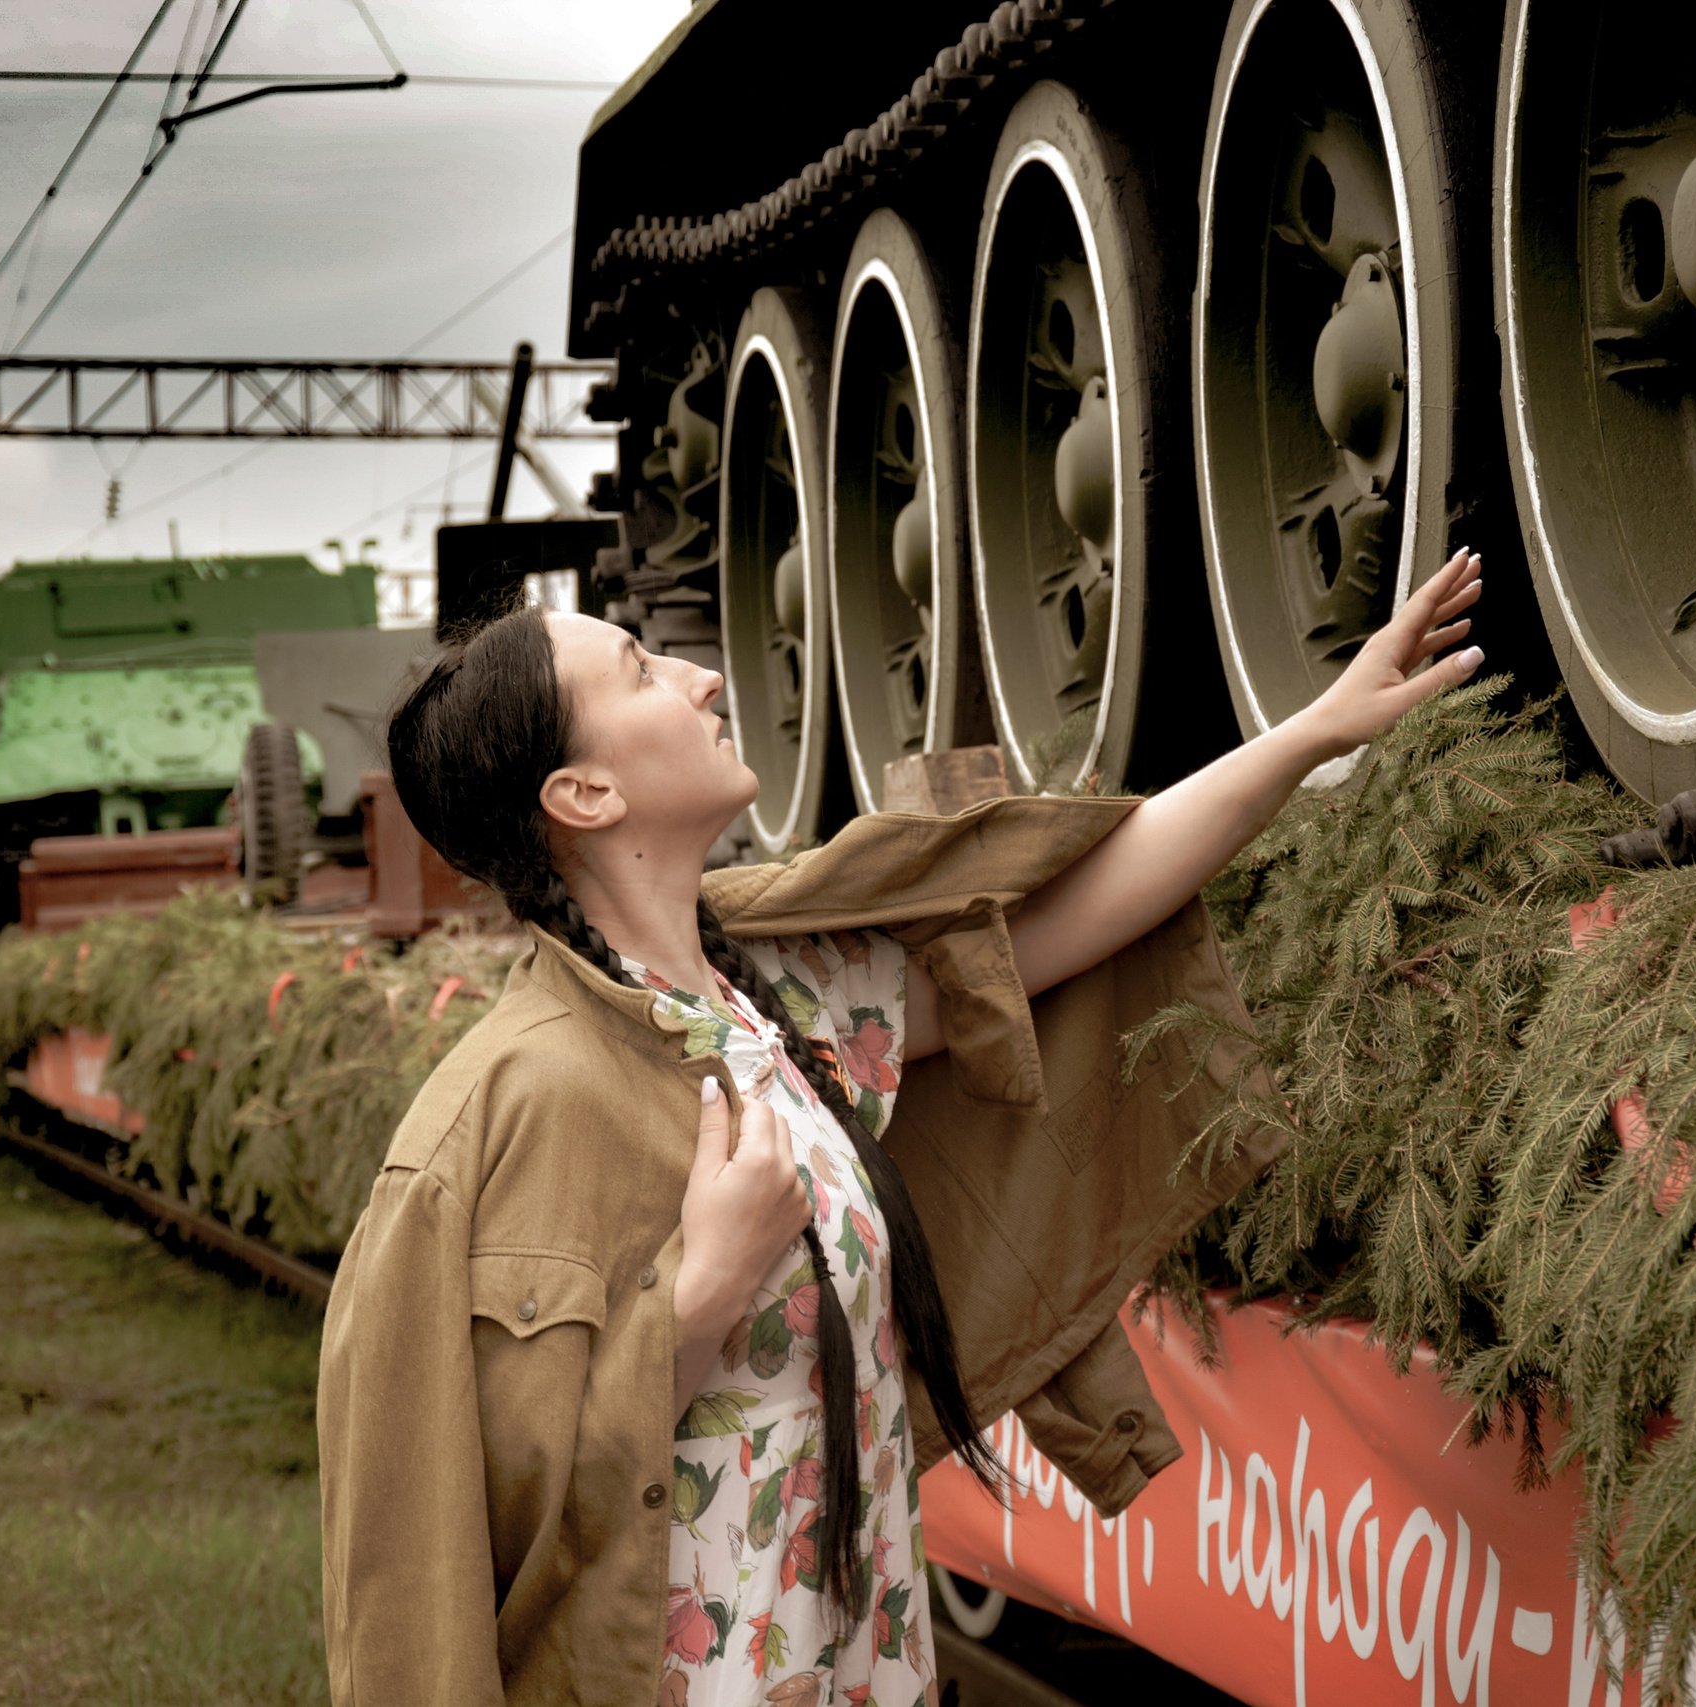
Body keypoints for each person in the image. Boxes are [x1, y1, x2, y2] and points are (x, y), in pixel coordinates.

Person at [320, 551, 1487, 1706]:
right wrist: (698, 1299)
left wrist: (1316, 732)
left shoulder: (769, 999)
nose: (703, 679)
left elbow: (1072, 915)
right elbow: (437, 1528)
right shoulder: (509, 1111)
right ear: (583, 796)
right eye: (641, 673)